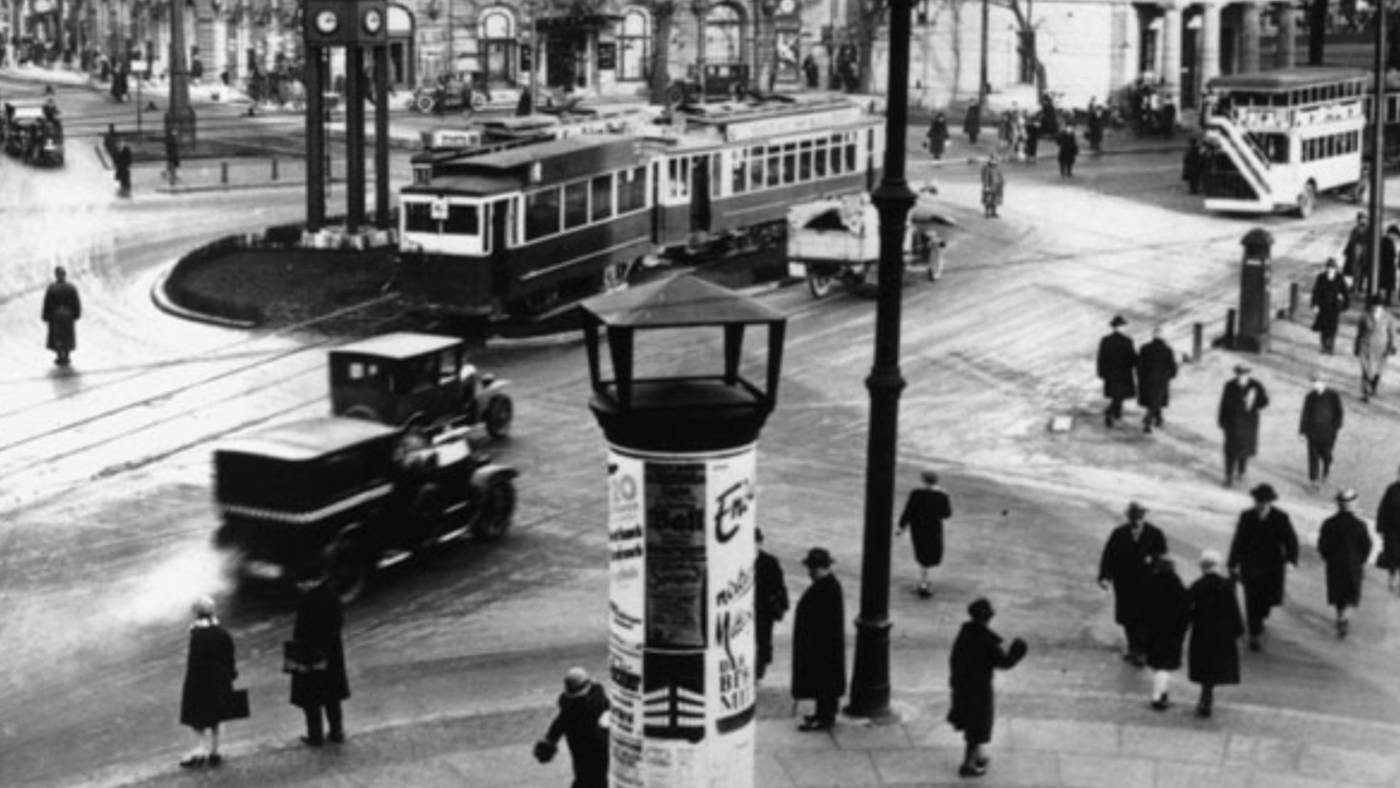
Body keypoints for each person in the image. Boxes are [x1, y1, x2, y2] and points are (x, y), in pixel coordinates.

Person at [946, 598, 1027, 778]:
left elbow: (954, 658)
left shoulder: (965, 634)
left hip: (962, 686)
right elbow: (1005, 662)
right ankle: (968, 765)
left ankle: (979, 755)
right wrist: (1017, 652)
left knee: (972, 723)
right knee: (977, 726)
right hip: (979, 689)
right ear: (988, 617)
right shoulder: (986, 642)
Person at [1227, 483, 1299, 651]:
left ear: (1270, 503)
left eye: (1264, 502)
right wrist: (1232, 563)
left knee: (1267, 600)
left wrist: (1291, 560)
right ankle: (1255, 633)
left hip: (1273, 567)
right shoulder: (1246, 517)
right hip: (1250, 565)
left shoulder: (1281, 518)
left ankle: (1260, 619)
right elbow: (1238, 540)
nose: (1260, 505)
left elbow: (1291, 540)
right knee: (1252, 599)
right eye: (1258, 501)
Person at [1097, 501, 1168, 665]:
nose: (1136, 520)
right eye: (1133, 516)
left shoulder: (1155, 534)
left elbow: (1163, 556)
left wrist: (1158, 571)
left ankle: (1141, 651)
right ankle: (1133, 648)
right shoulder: (1119, 533)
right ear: (1129, 517)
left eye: (1139, 516)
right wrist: (1105, 577)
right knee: (1128, 617)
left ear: (1144, 516)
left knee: (1143, 617)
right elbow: (1109, 556)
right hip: (1125, 583)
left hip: (1147, 583)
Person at [289, 567, 350, 746]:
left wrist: (296, 655)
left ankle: (315, 736)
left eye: (301, 583)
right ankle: (336, 731)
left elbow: (301, 631)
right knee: (332, 696)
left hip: (308, 652)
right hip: (332, 653)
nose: (299, 587)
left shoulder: (306, 600)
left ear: (310, 581)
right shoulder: (332, 595)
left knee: (310, 698)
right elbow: (338, 624)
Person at [791, 547, 845, 731]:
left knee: (824, 683)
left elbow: (821, 619)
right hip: (822, 646)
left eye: (812, 569)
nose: (809, 573)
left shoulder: (827, 588)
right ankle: (822, 714)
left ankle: (824, 718)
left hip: (822, 647)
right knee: (823, 683)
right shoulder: (828, 585)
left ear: (820, 568)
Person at [179, 596, 236, 769]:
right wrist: (230, 676)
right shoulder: (222, 632)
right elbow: (230, 657)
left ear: (196, 613)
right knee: (218, 717)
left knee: (198, 718)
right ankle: (215, 751)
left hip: (200, 682)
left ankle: (201, 750)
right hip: (221, 680)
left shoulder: (197, 635)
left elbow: (194, 662)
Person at [1187, 550, 1243, 719]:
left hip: (1202, 633)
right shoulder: (1226, 586)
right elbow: (1234, 610)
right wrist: (1237, 630)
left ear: (1203, 567)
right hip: (1222, 634)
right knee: (1215, 667)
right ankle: (1207, 695)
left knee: (1204, 667)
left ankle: (1205, 696)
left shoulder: (1197, 585)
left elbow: (1187, 609)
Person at [534, 667, 609, 788]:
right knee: (596, 780)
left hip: (579, 755)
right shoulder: (599, 703)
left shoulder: (569, 710)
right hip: (599, 754)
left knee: (583, 779)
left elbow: (556, 728)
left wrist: (546, 746)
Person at [1317, 488, 1374, 638]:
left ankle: (1341, 616)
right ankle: (1344, 619)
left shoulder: (1329, 523)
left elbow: (1323, 545)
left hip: (1334, 565)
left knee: (1339, 595)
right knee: (1352, 596)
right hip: (1353, 565)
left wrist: (1328, 558)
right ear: (1353, 504)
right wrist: (1361, 560)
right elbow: (1367, 546)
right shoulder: (1359, 525)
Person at [1142, 555, 1189, 710]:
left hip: (1153, 631)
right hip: (1172, 632)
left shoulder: (1151, 582)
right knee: (1165, 665)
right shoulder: (1177, 584)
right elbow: (1185, 608)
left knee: (1158, 665)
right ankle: (1158, 697)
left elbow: (1144, 607)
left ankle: (1162, 693)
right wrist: (1183, 628)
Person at [896, 469, 952, 598]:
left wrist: (901, 527)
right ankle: (925, 581)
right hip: (933, 528)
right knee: (932, 554)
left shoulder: (916, 493)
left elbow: (908, 511)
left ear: (923, 480)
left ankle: (923, 581)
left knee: (922, 554)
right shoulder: (942, 495)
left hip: (918, 528)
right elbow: (947, 514)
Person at [1217, 363, 1269, 486]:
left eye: (1244, 374)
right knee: (1230, 451)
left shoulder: (1256, 386)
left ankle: (1241, 472)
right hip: (1232, 423)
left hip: (1248, 424)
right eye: (1239, 374)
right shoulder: (1229, 385)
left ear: (1248, 374)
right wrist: (1222, 421)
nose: (1242, 376)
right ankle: (1228, 476)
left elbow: (1265, 401)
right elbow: (1223, 404)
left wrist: (1254, 402)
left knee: (1244, 450)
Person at [754, 527, 789, 681]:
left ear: (760, 542)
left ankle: (760, 668)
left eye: (755, 542)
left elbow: (779, 586)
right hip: (748, 608)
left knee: (763, 639)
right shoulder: (739, 560)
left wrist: (781, 605)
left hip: (763, 609)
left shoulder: (769, 562)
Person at [1299, 372, 1343, 488]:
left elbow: (1339, 413)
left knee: (1326, 454)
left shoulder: (1333, 396)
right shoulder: (1310, 396)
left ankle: (1327, 469)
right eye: (1313, 382)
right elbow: (1305, 414)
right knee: (1313, 456)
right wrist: (1302, 431)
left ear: (1324, 383)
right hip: (1312, 432)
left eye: (1316, 382)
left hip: (1327, 432)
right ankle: (1313, 481)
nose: (1314, 384)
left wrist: (1335, 428)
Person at [1097, 314, 1136, 428]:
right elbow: (1132, 358)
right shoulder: (1127, 341)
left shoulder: (1106, 340)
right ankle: (1111, 413)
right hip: (1123, 373)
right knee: (1120, 395)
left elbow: (1101, 358)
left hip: (1111, 373)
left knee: (1115, 394)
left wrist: (1101, 372)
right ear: (1120, 327)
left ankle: (1117, 412)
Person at [1354, 295, 1395, 402]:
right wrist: (1356, 346)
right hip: (1366, 346)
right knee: (1366, 370)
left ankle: (1374, 387)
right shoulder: (1364, 316)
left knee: (1378, 370)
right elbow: (1359, 333)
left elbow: (1392, 334)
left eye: (1379, 306)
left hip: (1381, 347)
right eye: (1375, 305)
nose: (1376, 308)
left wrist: (1391, 346)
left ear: (1382, 307)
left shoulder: (1388, 318)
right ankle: (1365, 393)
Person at [1136, 326, 1177, 433]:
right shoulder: (1167, 350)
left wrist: (1141, 377)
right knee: (1156, 401)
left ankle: (1159, 419)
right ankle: (1148, 420)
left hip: (1147, 380)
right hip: (1161, 380)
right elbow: (1172, 367)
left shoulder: (1144, 348)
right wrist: (1169, 376)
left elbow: (1139, 365)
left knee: (1152, 400)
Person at [41, 266, 80, 366]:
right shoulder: (71, 287)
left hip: (56, 316)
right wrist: (76, 314)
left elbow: (47, 303)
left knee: (57, 336)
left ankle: (59, 356)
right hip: (68, 315)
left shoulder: (52, 288)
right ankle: (66, 355)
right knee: (67, 336)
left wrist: (45, 315)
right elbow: (76, 302)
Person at [1311, 258, 1350, 354]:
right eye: (1329, 268)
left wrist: (1345, 305)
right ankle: (1324, 346)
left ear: (1335, 269)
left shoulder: (1339, 278)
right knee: (1324, 328)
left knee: (1332, 328)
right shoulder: (1321, 277)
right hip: (1323, 307)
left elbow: (1345, 293)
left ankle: (1330, 347)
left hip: (1334, 308)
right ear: (1326, 268)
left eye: (1332, 268)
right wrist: (1315, 305)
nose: (1330, 270)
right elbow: (1316, 292)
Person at [1375, 464, 1400, 593]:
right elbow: (1383, 508)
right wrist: (1379, 526)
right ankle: (1392, 577)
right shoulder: (1392, 489)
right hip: (1392, 531)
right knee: (1393, 555)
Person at [1344, 211, 1370, 295]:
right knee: (1356, 271)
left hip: (1364, 253)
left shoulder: (1368, 230)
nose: (1362, 221)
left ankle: (1359, 287)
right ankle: (1356, 287)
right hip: (1356, 252)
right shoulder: (1355, 230)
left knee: (1362, 271)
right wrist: (1347, 250)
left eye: (1363, 219)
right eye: (1360, 219)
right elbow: (1351, 241)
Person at [1379, 224, 1399, 305]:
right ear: (1391, 233)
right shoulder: (1387, 242)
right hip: (1387, 267)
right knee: (1388, 285)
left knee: (1386, 285)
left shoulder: (1386, 241)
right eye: (1395, 235)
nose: (1396, 237)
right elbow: (1390, 254)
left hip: (1387, 267)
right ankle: (1386, 300)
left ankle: (1386, 299)